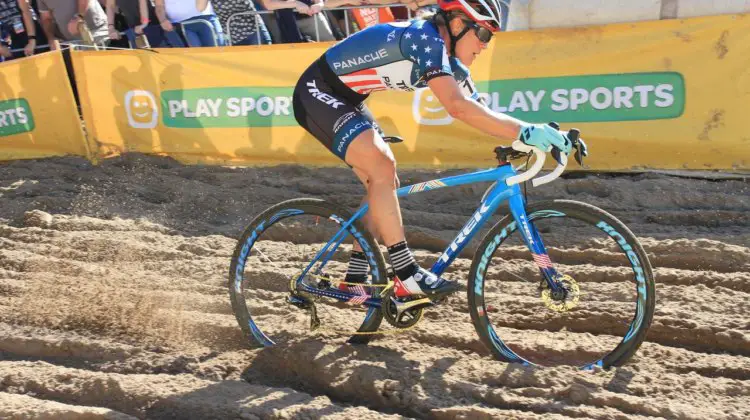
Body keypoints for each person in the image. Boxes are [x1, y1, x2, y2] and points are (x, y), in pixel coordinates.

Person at [292, 0, 573, 301]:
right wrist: (526, 132)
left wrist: (530, 136)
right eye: (483, 34)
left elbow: (480, 110)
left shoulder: (448, 59)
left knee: (384, 182)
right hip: (317, 92)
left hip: (349, 100)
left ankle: (356, 278)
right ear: (456, 24)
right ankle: (406, 273)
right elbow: (457, 107)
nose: (484, 45)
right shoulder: (424, 39)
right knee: (382, 166)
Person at [38, 0, 109, 49]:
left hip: (97, 33)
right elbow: (46, 19)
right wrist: (51, 38)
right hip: (73, 43)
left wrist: (79, 17)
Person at [154, 0, 225, 47]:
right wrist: (163, 20)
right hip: (180, 25)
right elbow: (159, 5)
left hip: (207, 19)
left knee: (217, 52)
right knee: (194, 59)